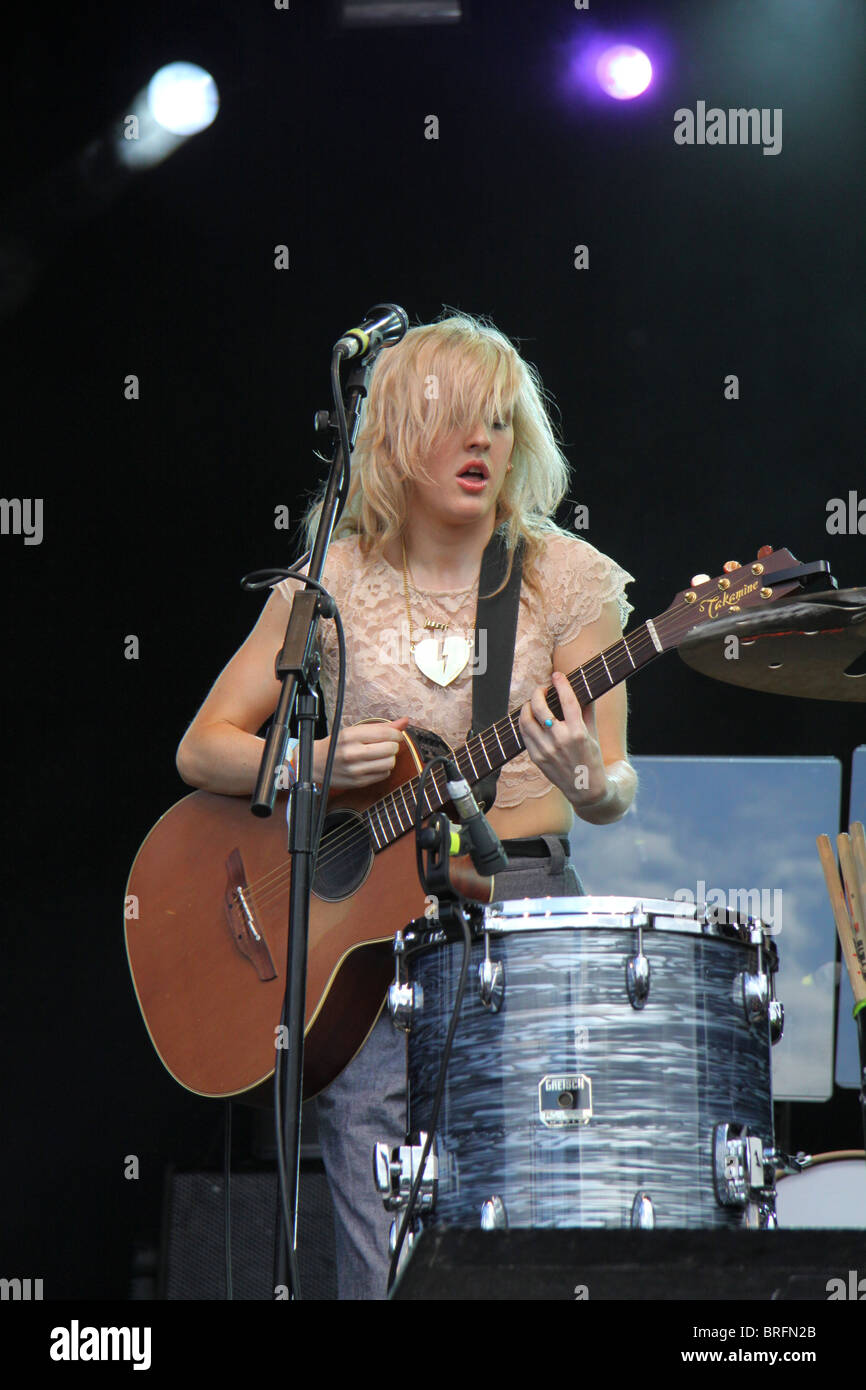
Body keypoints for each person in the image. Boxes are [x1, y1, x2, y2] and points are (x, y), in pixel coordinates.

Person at [175, 311, 637, 1299]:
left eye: (501, 422)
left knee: (523, 1178)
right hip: (354, 935)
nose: (482, 441)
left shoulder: (565, 576)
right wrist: (313, 762)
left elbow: (611, 784)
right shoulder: (332, 578)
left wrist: (585, 779)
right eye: (455, 417)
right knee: (370, 1194)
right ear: (387, 433)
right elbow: (203, 746)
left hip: (518, 900)